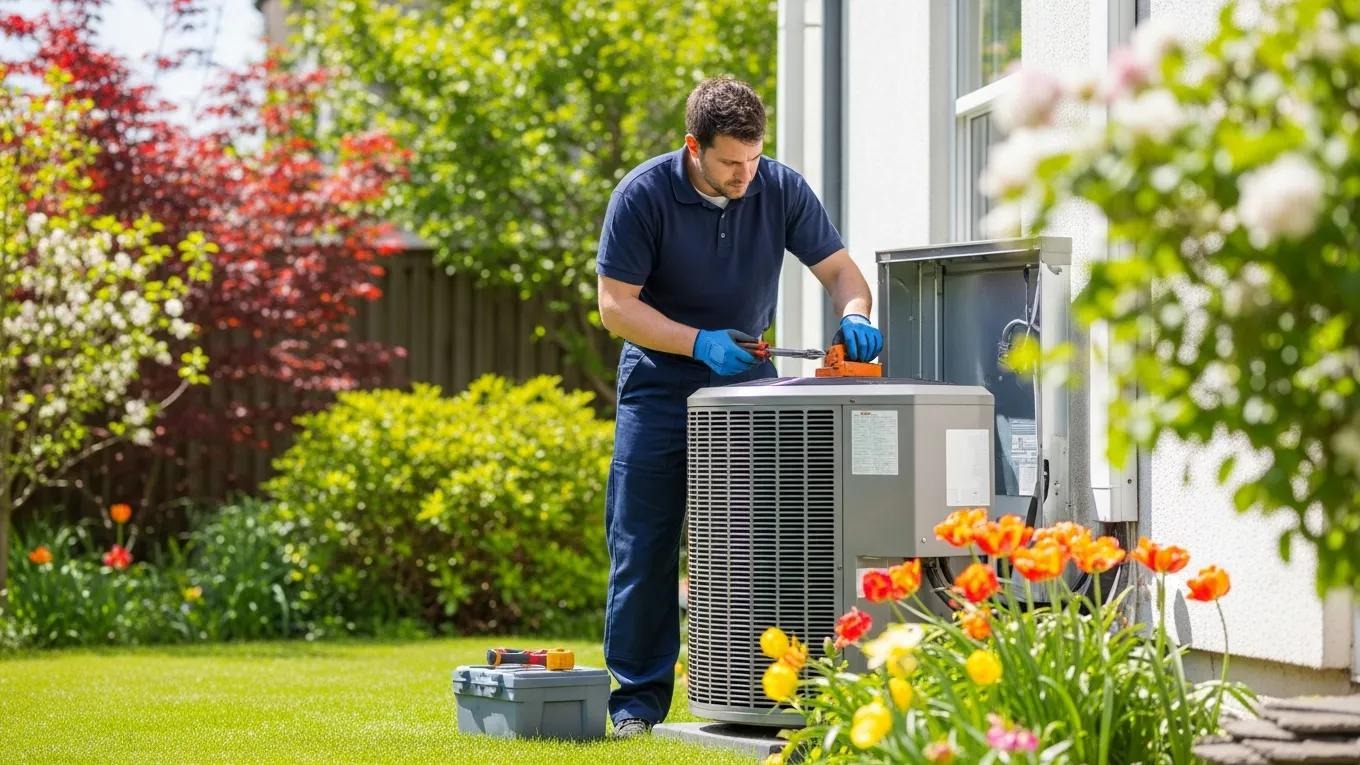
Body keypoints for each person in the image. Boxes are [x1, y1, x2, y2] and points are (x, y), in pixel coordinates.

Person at [594, 75, 883, 737]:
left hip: (748, 393)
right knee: (643, 542)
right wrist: (698, 343)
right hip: (660, 388)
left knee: (763, 545)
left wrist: (857, 314)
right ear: (693, 147)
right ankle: (637, 701)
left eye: (753, 160)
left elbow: (842, 273)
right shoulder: (643, 196)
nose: (744, 175)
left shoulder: (778, 186)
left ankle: (762, 692)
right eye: (729, 162)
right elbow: (616, 307)